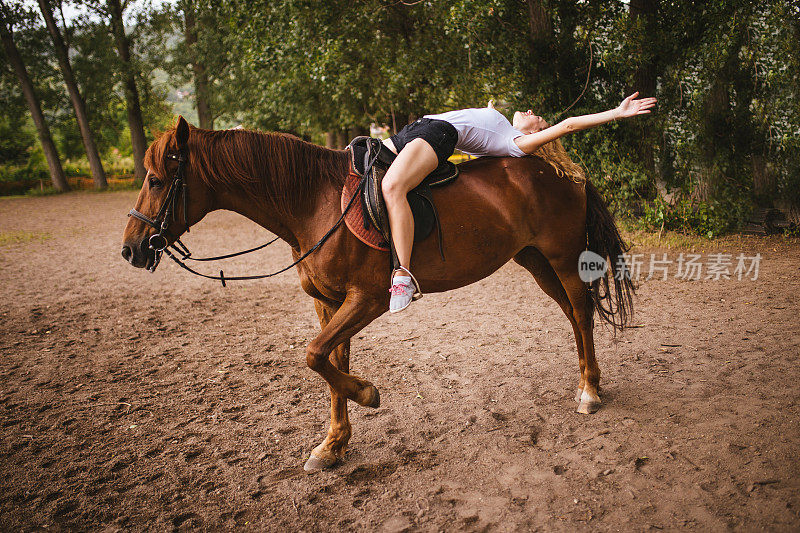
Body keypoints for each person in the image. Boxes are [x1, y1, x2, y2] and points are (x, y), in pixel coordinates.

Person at [382, 92, 657, 313]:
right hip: (416, 129)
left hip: (435, 135)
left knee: (393, 186)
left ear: (536, 133)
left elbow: (569, 124)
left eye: (537, 118)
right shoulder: (502, 126)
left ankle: (403, 276)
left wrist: (617, 112)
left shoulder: (516, 143)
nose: (530, 112)